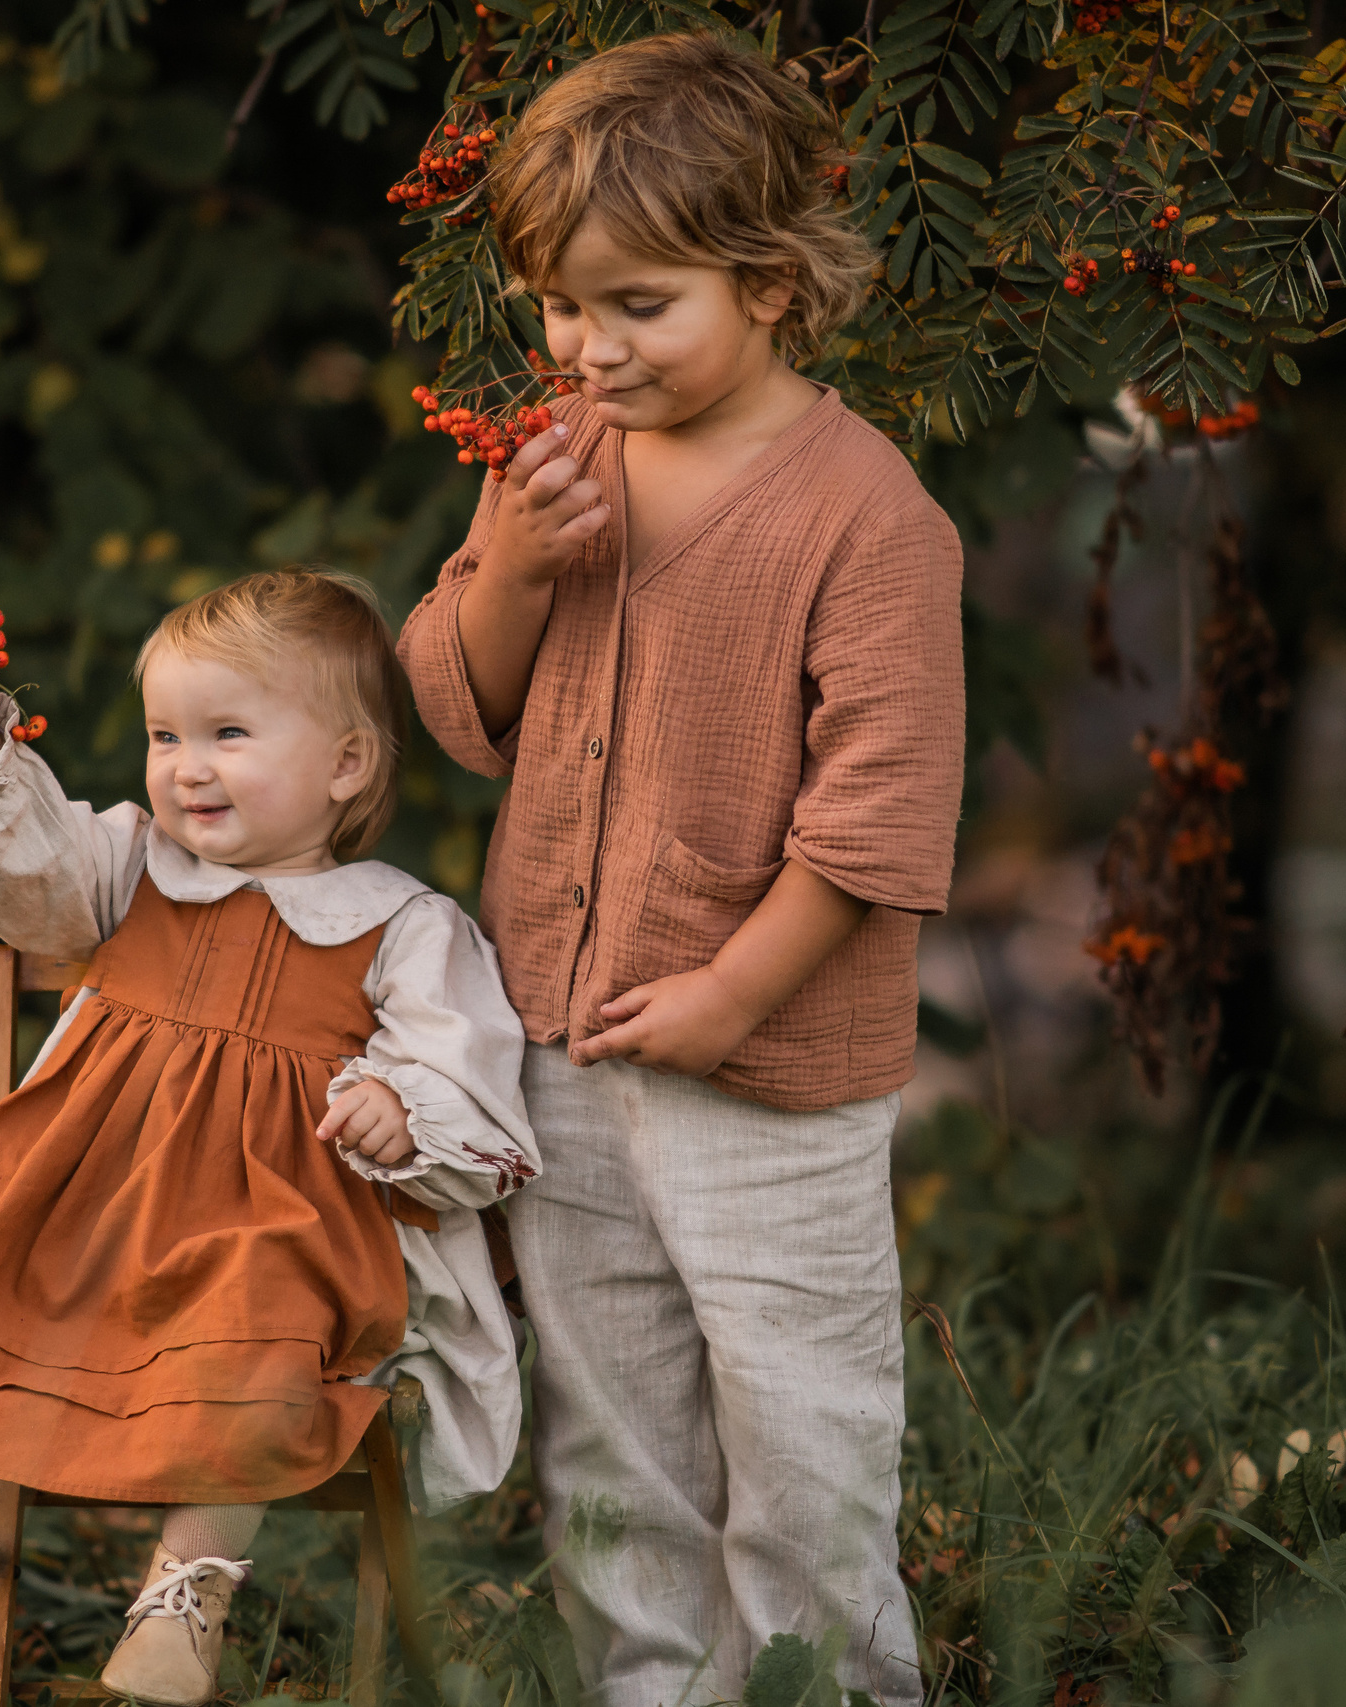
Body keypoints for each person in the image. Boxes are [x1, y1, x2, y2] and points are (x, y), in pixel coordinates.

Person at [396, 30, 965, 1707]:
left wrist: (730, 994)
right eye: (562, 308)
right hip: (565, 1038)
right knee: (613, 1430)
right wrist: (507, 560)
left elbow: (881, 812)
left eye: (639, 307)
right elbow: (459, 705)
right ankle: (652, 1685)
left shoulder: (869, 518)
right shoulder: (570, 467)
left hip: (764, 1060)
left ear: (775, 283)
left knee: (800, 1423)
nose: (587, 347)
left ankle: (831, 1685)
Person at [0, 570, 539, 1707]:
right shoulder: (125, 865)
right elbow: (19, 874)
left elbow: (464, 1064)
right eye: (165, 735)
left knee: (260, 1322)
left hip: (272, 1223)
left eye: (228, 733)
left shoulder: (402, 924)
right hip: (85, 1202)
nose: (186, 765)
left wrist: (403, 1113)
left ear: (346, 765)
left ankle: (183, 1597)